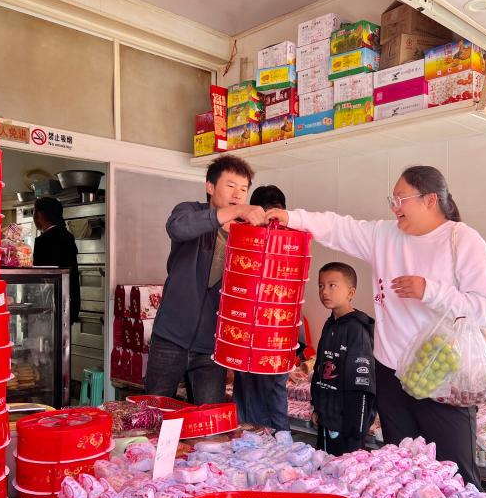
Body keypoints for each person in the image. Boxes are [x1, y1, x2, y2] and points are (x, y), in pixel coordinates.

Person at [264, 165, 486, 487]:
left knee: (454, 473)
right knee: (400, 469)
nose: (393, 207)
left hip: (442, 376)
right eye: (392, 199)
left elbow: (485, 309)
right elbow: (337, 227)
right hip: (390, 374)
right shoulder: (384, 236)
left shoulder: (462, 240)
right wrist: (288, 217)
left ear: (430, 200)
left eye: (400, 199)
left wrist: (429, 291)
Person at [145, 154, 266, 405]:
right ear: (210, 187)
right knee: (152, 414)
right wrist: (234, 211)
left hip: (211, 348)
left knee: (209, 426)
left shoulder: (247, 235)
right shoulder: (189, 211)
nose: (238, 194)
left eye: (243, 189)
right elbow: (178, 227)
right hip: (170, 338)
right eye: (230, 185)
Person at [232, 185, 305, 431]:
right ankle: (247, 440)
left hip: (275, 335)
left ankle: (280, 443)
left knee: (273, 390)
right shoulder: (243, 238)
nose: (273, 225)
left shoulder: (291, 241)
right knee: (245, 387)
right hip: (245, 333)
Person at [310, 262, 376, 456]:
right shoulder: (330, 325)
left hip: (347, 424)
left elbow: (362, 383)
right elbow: (320, 369)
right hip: (326, 418)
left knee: (344, 475)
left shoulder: (357, 329)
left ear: (351, 292)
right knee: (323, 469)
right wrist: (317, 408)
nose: (324, 292)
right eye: (321, 285)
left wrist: (356, 426)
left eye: (332, 285)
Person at [32, 197, 80, 323]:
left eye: (34, 212)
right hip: (69, 305)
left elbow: (39, 279)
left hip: (48, 309)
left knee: (47, 341)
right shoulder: (67, 236)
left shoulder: (44, 241)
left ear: (40, 214)